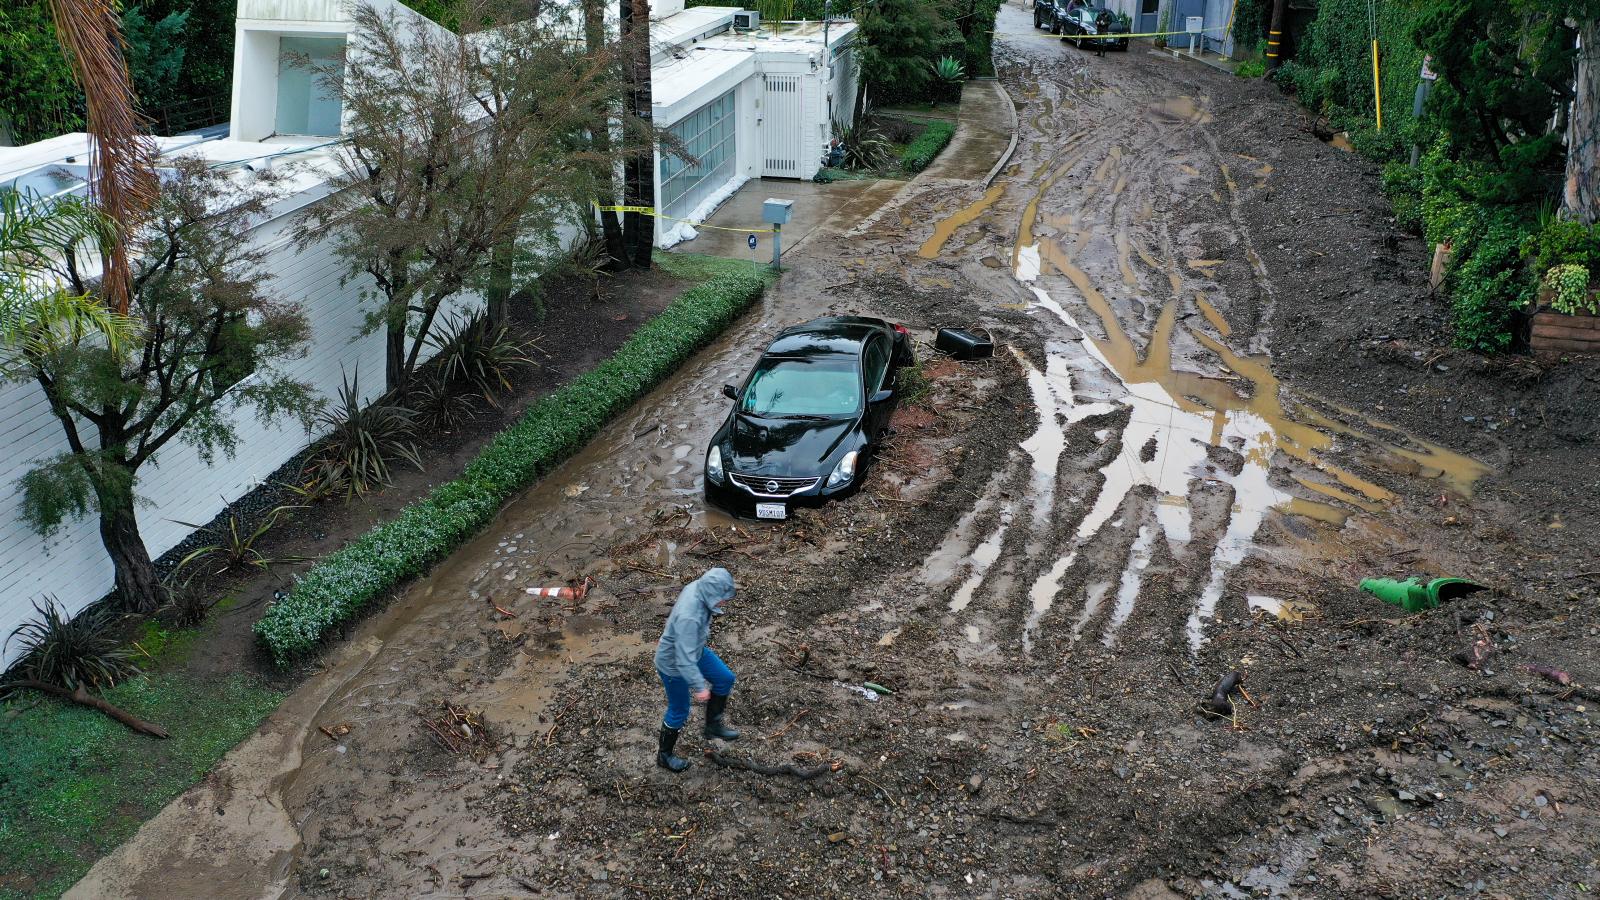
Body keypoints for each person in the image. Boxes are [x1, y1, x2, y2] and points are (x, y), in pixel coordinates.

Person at [653, 567, 740, 772]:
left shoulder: (697, 586)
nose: (724, 602)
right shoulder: (690, 617)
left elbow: (677, 622)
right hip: (674, 663)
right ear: (710, 594)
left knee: (725, 678)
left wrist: (670, 632)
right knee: (679, 709)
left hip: (694, 649)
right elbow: (683, 660)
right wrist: (699, 687)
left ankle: (713, 725)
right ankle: (664, 755)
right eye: (721, 598)